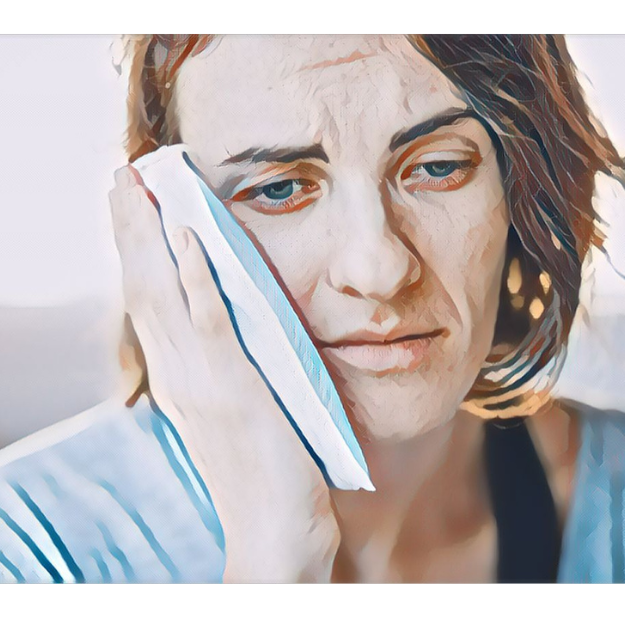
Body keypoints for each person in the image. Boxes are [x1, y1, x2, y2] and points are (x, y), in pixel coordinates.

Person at [0, 34, 624, 583]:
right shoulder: (28, 553)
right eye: (279, 189)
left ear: (521, 188)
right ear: (164, 221)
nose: (378, 269)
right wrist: (275, 562)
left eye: (438, 167)